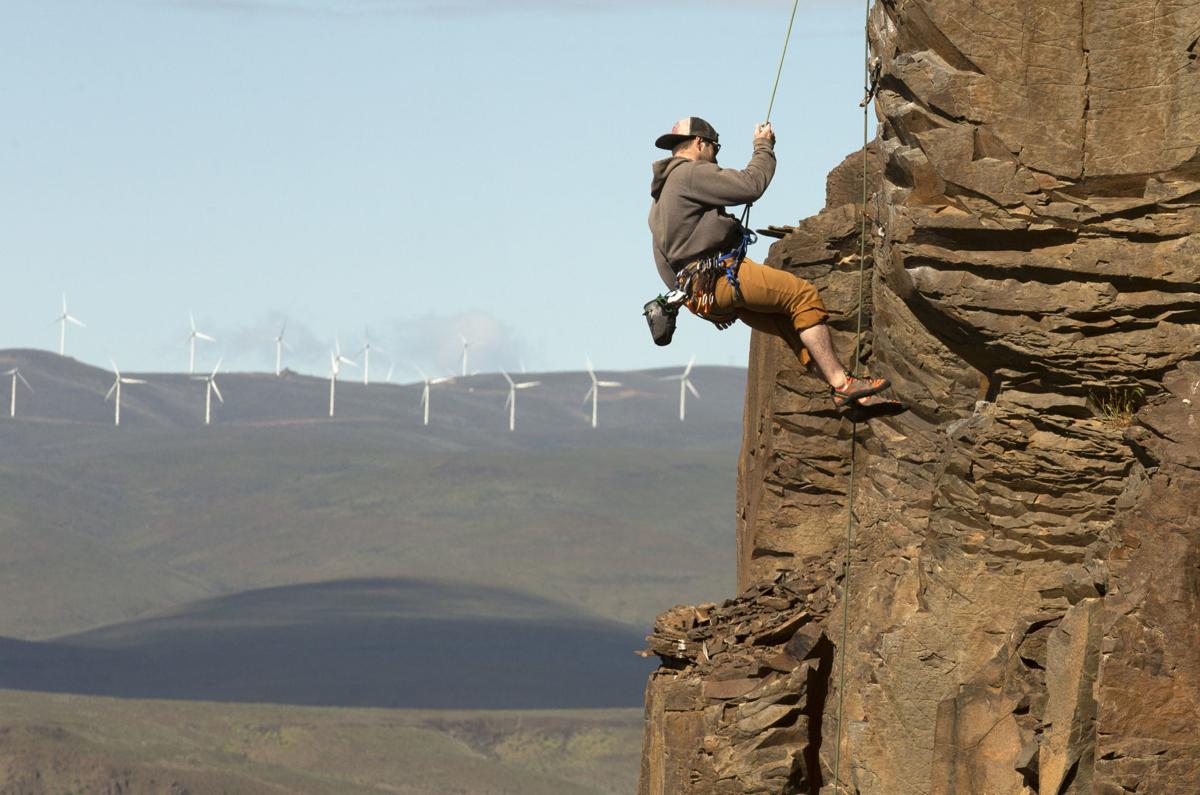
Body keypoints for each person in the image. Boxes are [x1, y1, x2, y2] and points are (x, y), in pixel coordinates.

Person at [648, 116, 892, 410]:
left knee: (786, 321)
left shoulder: (659, 201)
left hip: (703, 294)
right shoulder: (690, 174)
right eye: (715, 148)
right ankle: (844, 385)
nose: (715, 156)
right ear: (701, 143)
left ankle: (848, 395)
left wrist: (707, 308)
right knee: (803, 297)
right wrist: (763, 146)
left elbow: (663, 264)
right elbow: (751, 185)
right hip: (724, 276)